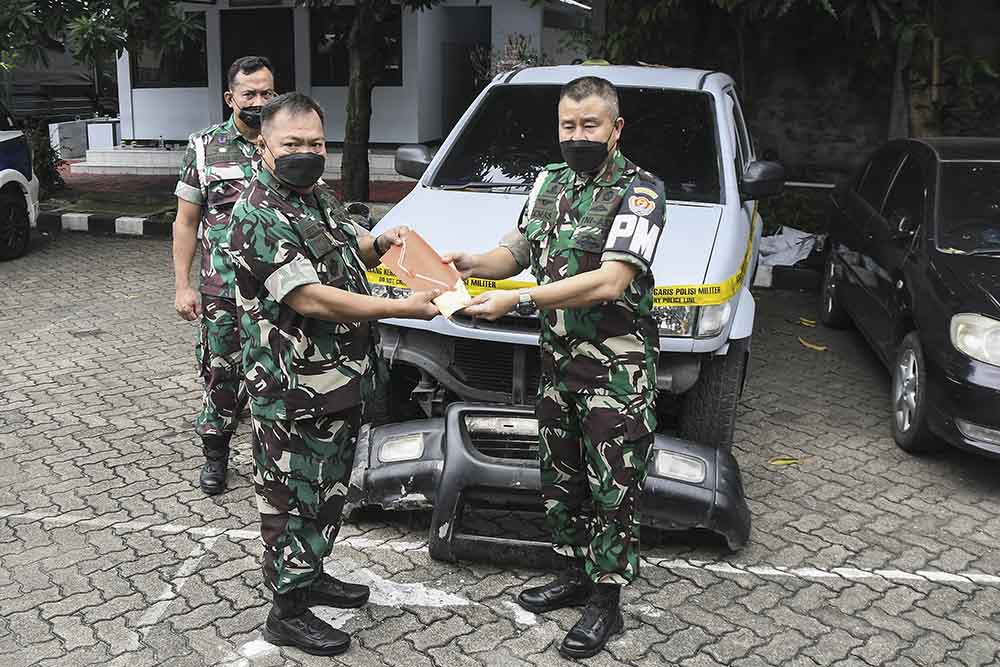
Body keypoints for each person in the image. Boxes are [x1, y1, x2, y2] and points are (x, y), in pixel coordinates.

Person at [444, 76, 666, 660]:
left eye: (590, 125)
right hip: (559, 363)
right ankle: (570, 571)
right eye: (568, 125)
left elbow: (611, 280)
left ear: (615, 128)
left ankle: (606, 601)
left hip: (616, 370)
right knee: (561, 476)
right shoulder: (548, 183)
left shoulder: (640, 192)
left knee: (613, 484)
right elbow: (514, 250)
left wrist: (518, 299)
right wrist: (470, 263)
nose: (577, 136)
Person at [228, 92, 440, 657]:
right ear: (263, 145)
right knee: (292, 497)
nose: (306, 153)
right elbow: (314, 298)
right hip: (293, 387)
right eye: (292, 144)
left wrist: (380, 245)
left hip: (337, 382)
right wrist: (402, 307)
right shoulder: (257, 212)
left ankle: (311, 571)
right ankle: (286, 609)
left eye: (316, 143)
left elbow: (345, 254)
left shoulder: (315, 196)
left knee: (327, 492)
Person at [172, 55, 276, 495]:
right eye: (249, 94)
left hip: (280, 290)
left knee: (275, 374)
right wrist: (183, 284)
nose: (258, 101)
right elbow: (185, 221)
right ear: (230, 97)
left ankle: (271, 462)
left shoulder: (287, 141)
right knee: (221, 374)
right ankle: (216, 456)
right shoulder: (204, 146)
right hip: (223, 291)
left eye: (267, 93)